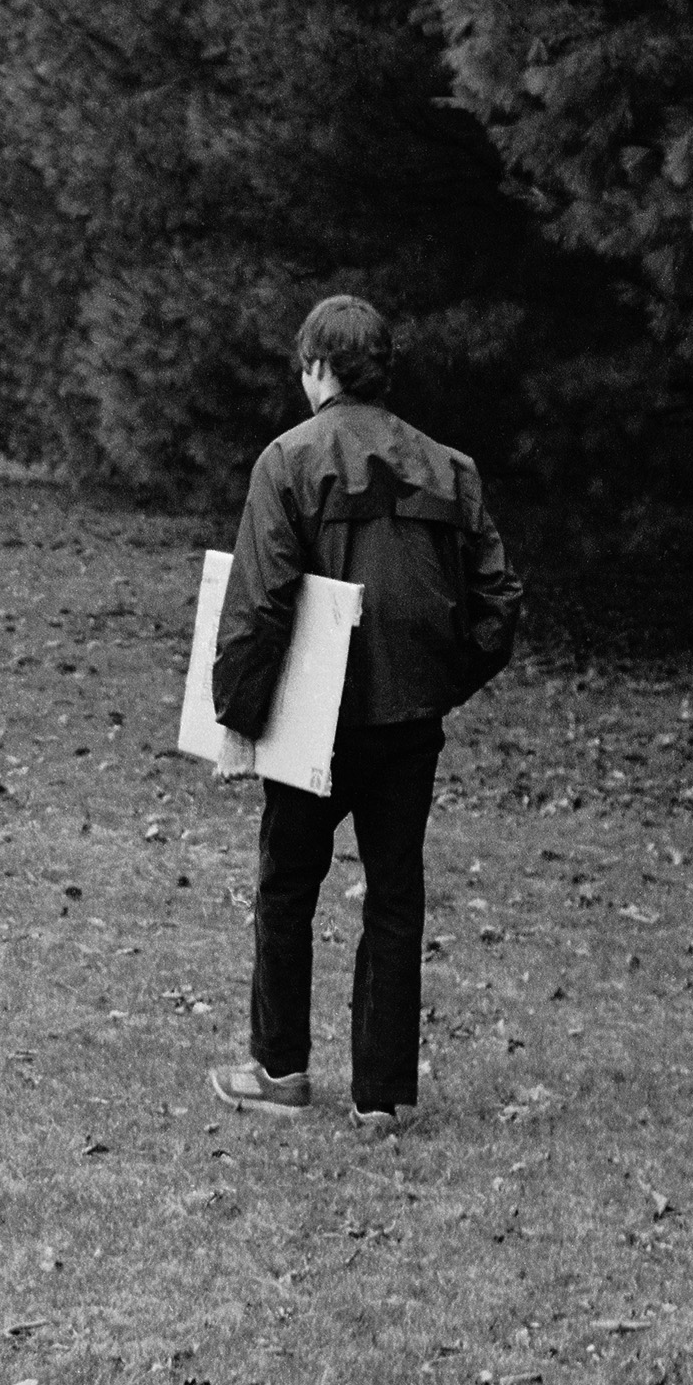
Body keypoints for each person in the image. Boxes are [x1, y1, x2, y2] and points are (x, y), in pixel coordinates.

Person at [206, 294, 521, 1137]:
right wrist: (441, 682)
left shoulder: (288, 459)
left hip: (317, 724)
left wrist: (234, 713)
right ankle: (379, 1097)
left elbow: (262, 601)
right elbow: (499, 607)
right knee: (394, 896)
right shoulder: (450, 466)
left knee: (285, 885)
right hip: (408, 723)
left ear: (318, 369)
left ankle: (278, 1069)